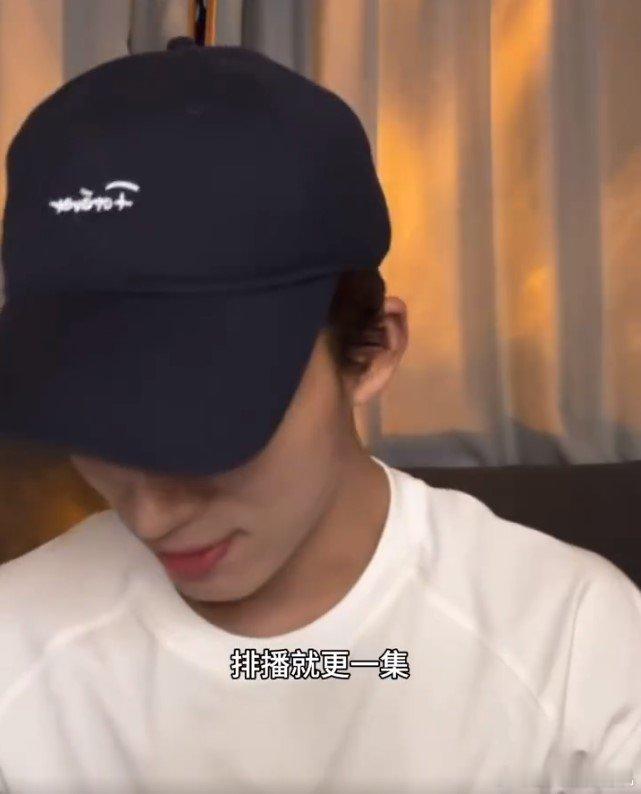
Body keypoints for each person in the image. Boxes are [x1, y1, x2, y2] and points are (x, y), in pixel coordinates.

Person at [0, 38, 639, 794]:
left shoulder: (572, 647)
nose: (150, 515)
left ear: (369, 351)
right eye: (93, 425)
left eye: (201, 426)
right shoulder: (17, 654)